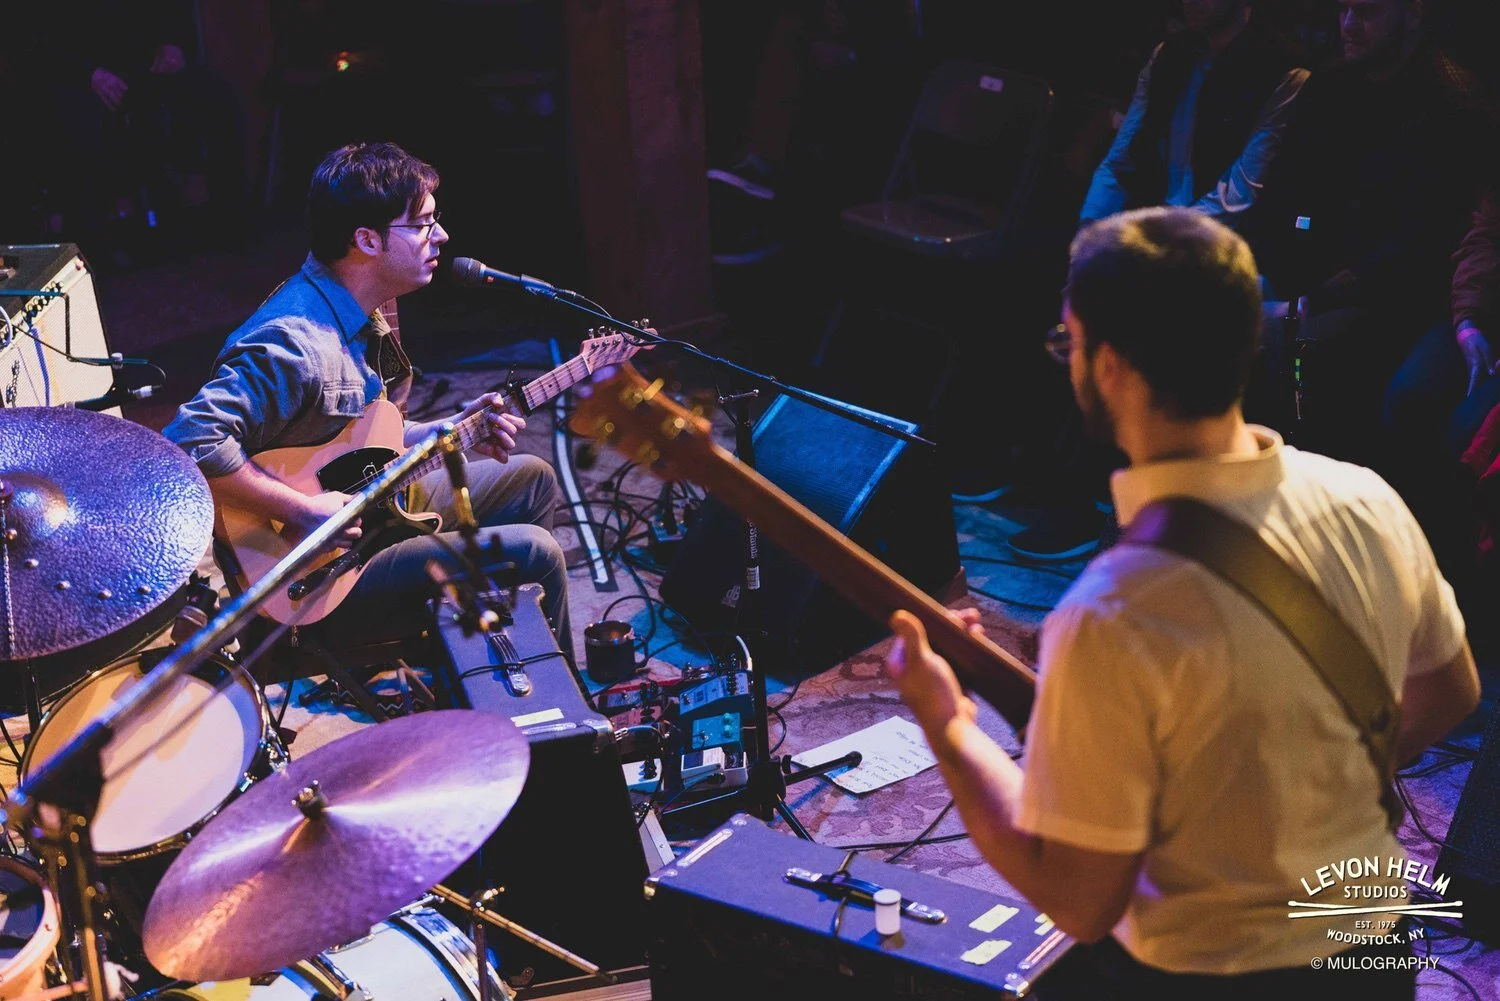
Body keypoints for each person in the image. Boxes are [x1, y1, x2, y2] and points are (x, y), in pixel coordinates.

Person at [886, 207, 1479, 995]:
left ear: (1110, 366)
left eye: (1068, 341)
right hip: (1372, 951)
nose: (1066, 360)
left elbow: (1079, 899)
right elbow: (1452, 689)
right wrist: (1315, 782)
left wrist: (948, 723)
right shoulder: (1365, 498)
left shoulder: (1113, 613)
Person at [164, 142, 572, 663]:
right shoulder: (294, 342)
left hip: (372, 514)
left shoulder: (356, 307)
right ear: (366, 240)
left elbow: (358, 442)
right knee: (536, 552)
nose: (441, 235)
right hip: (313, 580)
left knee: (531, 478)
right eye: (422, 223)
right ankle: (561, 710)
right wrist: (304, 511)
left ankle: (500, 676)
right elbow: (190, 441)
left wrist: (448, 428)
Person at [1241, 0, 1491, 460]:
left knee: (1297, 347)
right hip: (1322, 276)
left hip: (1395, 296)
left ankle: (1294, 480)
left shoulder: (1454, 105)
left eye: (1367, 11)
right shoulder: (1332, 86)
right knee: (1217, 309)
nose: (1349, 24)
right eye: (1344, 9)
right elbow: (1284, 190)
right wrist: (1260, 269)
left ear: (1413, 14)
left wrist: (1309, 301)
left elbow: (1419, 247)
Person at [1079, 0, 1308, 226]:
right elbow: (1119, 161)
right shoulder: (1168, 55)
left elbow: (1237, 197)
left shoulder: (1285, 72)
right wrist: (1090, 225)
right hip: (1150, 219)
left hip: (1217, 239)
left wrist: (1163, 235)